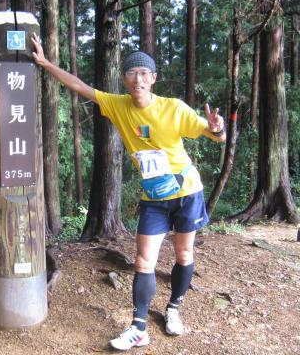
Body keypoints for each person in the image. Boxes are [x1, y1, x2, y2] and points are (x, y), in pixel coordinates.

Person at [31, 33, 226, 351]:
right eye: (131, 73)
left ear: (153, 78)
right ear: (124, 79)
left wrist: (217, 126)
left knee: (183, 254)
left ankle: (174, 308)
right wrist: (44, 63)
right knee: (143, 260)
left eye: (144, 73)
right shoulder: (117, 105)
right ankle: (138, 327)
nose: (138, 79)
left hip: (186, 192)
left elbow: (213, 133)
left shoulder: (173, 108)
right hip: (154, 198)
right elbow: (81, 87)